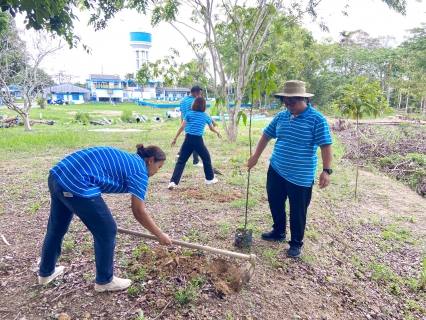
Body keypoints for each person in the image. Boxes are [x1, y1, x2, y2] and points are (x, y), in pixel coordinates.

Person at [38, 144, 172, 291]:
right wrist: (159, 234)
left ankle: (46, 273)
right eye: (159, 167)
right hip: (77, 182)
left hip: (58, 175)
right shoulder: (140, 171)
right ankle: (105, 281)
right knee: (107, 230)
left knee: (57, 227)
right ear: (151, 160)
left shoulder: (130, 160)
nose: (157, 172)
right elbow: (138, 211)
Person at [247, 80, 333, 259]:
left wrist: (326, 170)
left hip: (301, 174)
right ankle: (278, 231)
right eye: (285, 102)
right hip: (277, 168)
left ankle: (296, 243)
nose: (288, 106)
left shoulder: (317, 119)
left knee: (298, 209)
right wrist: (255, 156)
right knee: (275, 201)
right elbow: (266, 136)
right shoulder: (281, 116)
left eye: (292, 102)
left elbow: (325, 145)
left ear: (303, 98)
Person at [168, 96, 222, 189]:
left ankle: (173, 182)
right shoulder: (205, 116)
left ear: (194, 104)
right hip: (198, 141)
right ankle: (209, 179)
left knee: (181, 161)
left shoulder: (189, 114)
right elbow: (211, 128)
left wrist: (175, 138)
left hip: (187, 139)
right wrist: (217, 132)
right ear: (204, 106)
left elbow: (181, 127)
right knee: (206, 158)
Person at [177, 85, 217, 167]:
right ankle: (195, 161)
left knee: (190, 141)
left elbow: (181, 114)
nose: (200, 96)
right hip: (193, 123)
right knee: (196, 141)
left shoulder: (183, 100)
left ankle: (181, 154)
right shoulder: (195, 101)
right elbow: (200, 112)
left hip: (186, 123)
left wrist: (182, 125)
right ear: (195, 93)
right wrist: (212, 120)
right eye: (200, 94)